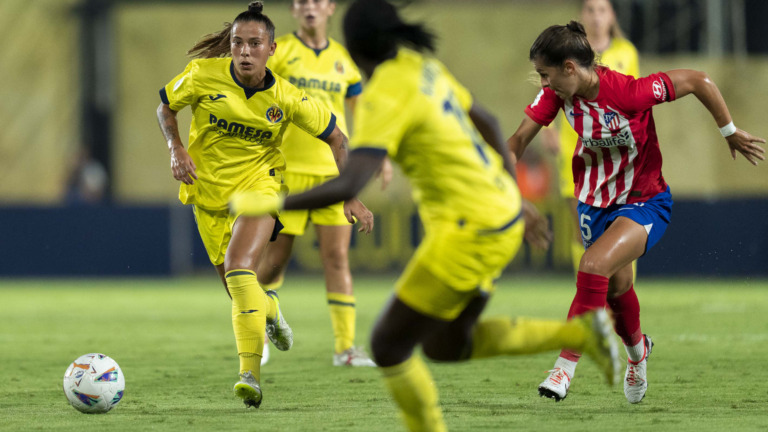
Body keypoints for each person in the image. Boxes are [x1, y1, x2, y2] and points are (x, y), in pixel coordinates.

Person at [231, 1, 620, 430]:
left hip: (469, 231)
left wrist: (271, 204)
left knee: (387, 345)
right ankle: (579, 334)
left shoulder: (384, 93)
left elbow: (348, 183)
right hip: (499, 217)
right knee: (447, 345)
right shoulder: (423, 67)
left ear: (358, 48)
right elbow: (488, 122)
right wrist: (512, 194)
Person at [508, 21, 765, 404]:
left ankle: (564, 365)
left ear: (569, 68)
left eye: (546, 75)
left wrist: (728, 130)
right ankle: (638, 352)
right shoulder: (558, 97)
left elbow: (697, 80)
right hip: (594, 203)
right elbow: (515, 142)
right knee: (617, 289)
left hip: (645, 200)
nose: (544, 85)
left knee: (593, 265)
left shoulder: (629, 92)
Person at [155, 1, 372, 408]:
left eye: (254, 44)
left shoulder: (287, 97)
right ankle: (268, 307)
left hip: (260, 186)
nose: (244, 52)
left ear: (271, 49)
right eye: (238, 43)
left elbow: (337, 138)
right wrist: (176, 148)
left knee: (241, 271)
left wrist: (351, 196)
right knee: (241, 292)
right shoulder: (203, 76)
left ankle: (249, 375)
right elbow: (165, 105)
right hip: (208, 193)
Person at [258, 0, 379, 367]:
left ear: (330, 8)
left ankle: (345, 349)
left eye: (317, 1)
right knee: (275, 260)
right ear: (294, 10)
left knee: (337, 258)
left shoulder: (343, 58)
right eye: (301, 2)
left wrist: (378, 157)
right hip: (287, 174)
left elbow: (364, 111)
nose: (309, 6)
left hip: (332, 176)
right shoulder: (281, 53)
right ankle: (257, 334)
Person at [540, 0, 639, 274]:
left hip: (617, 153)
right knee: (582, 229)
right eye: (591, 10)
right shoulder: (567, 52)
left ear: (611, 16)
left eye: (602, 10)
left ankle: (623, 297)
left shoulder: (626, 52)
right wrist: (548, 129)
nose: (596, 17)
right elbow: (549, 92)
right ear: (582, 15)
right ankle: (590, 297)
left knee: (624, 225)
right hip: (576, 152)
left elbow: (635, 99)